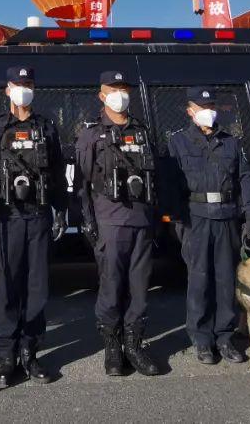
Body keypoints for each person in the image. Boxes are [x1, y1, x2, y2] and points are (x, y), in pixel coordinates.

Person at [0, 65, 66, 386]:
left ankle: (30, 352)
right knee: (8, 288)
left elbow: (57, 172)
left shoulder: (47, 127)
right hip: (7, 217)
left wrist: (61, 209)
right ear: (7, 89)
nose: (24, 88)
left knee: (37, 288)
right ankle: (6, 356)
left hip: (38, 216)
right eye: (18, 83)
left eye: (29, 83)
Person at [75, 70, 166, 377]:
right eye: (113, 89)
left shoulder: (142, 131)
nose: (120, 94)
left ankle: (135, 344)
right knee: (112, 286)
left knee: (140, 289)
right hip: (110, 222)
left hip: (141, 221)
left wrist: (156, 219)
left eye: (124, 88)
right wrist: (88, 222)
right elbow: (83, 185)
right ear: (101, 96)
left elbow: (155, 178)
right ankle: (112, 347)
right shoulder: (91, 134)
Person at [166, 87, 250, 366]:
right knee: (199, 281)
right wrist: (179, 219)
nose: (208, 110)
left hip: (227, 216)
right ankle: (202, 339)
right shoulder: (179, 142)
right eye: (202, 105)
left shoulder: (231, 142)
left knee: (225, 279)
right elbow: (172, 184)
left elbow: (245, 179)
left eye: (211, 105)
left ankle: (225, 336)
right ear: (190, 111)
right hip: (196, 218)